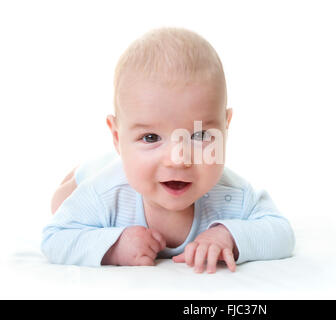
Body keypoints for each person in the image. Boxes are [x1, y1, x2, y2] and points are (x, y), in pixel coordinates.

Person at [42, 27, 295, 273]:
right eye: (151, 137)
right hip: (100, 173)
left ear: (225, 128)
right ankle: (85, 169)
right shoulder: (104, 194)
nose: (178, 159)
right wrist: (115, 246)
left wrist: (228, 236)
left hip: (131, 164)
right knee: (60, 202)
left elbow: (281, 232)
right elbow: (54, 237)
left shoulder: (233, 195)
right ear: (118, 137)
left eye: (199, 135)